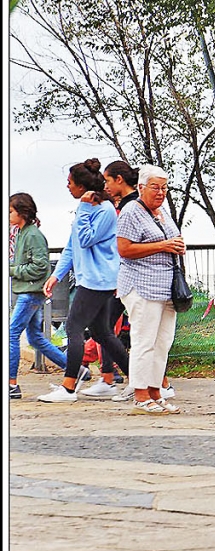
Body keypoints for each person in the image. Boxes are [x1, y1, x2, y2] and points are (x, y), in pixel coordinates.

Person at [36, 159, 128, 403]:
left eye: (70, 182)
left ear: (82, 186)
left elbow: (86, 239)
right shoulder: (87, 209)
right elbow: (72, 245)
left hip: (98, 281)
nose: (67, 186)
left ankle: (68, 388)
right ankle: (135, 380)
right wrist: (56, 276)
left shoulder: (104, 210)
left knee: (73, 328)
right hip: (91, 279)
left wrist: (84, 209)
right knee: (101, 332)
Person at [114, 165, 187, 415]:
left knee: (163, 341)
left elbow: (170, 240)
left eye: (165, 187)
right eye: (155, 187)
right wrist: (163, 245)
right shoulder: (131, 211)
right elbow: (124, 249)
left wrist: (175, 246)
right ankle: (141, 395)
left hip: (166, 287)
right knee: (144, 340)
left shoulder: (162, 211)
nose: (160, 192)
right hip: (141, 285)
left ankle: (156, 392)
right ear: (141, 187)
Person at [9, 193, 69, 400]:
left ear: (22, 212)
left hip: (30, 293)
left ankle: (11, 385)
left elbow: (40, 267)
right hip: (29, 292)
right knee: (35, 337)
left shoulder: (32, 235)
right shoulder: (23, 233)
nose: (8, 215)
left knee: (11, 335)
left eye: (10, 211)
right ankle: (75, 371)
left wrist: (12, 270)